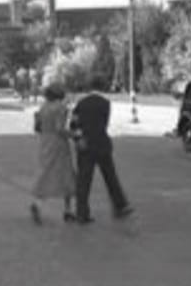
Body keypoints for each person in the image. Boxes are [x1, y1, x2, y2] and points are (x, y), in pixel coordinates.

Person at [69, 92, 134, 224]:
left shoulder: (81, 103)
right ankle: (120, 205)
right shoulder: (105, 103)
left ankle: (82, 213)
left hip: (86, 145)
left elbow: (74, 124)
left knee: (84, 180)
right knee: (110, 177)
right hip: (102, 144)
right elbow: (104, 123)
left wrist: (78, 139)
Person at [29, 87, 76, 224]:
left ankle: (37, 203)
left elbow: (37, 128)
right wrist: (74, 135)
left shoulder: (43, 107)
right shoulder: (61, 108)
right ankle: (68, 210)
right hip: (58, 144)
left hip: (45, 142)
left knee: (45, 174)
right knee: (67, 175)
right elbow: (60, 128)